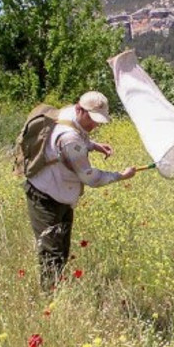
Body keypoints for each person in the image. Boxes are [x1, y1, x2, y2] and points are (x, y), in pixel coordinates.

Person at [24, 91, 136, 289]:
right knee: (52, 253)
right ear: (79, 109)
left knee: (61, 249)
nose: (95, 125)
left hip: (60, 192)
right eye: (92, 119)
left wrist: (94, 146)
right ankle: (51, 302)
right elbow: (90, 177)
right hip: (45, 196)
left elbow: (78, 134)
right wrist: (121, 175)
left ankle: (57, 292)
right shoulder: (70, 140)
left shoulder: (68, 114)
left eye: (98, 120)